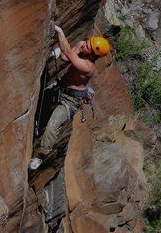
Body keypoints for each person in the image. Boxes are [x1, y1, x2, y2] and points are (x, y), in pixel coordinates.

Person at [30, 25, 110, 170]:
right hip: (61, 87)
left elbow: (67, 51)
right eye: (87, 42)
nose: (84, 44)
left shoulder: (88, 67)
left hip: (71, 100)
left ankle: (40, 156)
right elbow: (65, 57)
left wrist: (59, 31)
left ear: (92, 55)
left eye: (88, 46)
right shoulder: (81, 46)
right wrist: (59, 53)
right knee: (37, 101)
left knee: (52, 126)